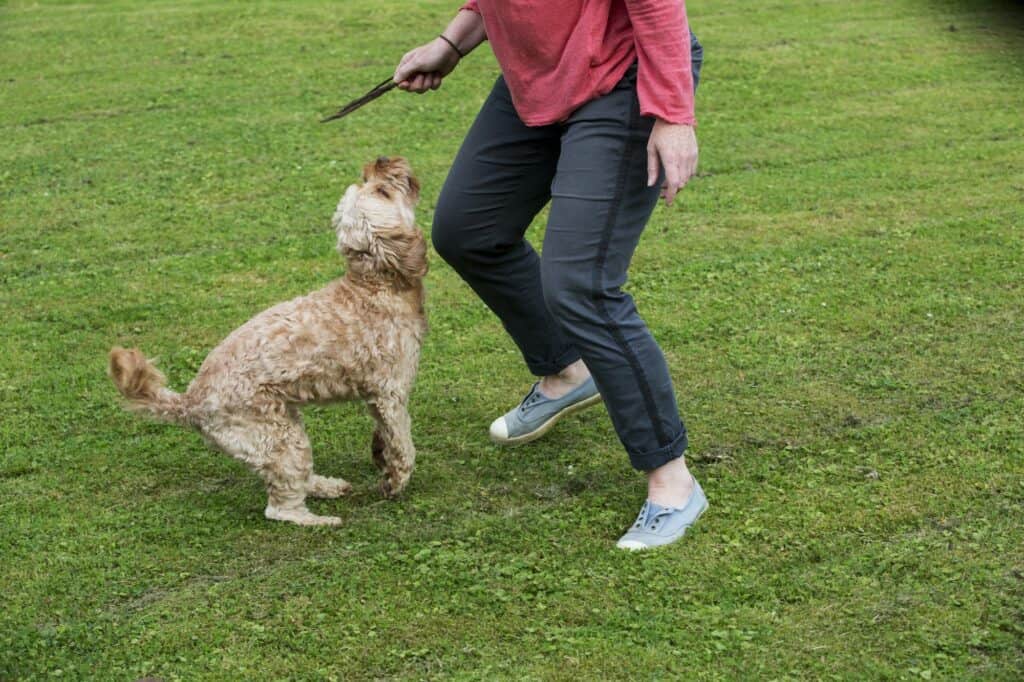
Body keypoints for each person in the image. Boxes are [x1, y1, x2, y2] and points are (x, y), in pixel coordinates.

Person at [394, 0, 705, 550]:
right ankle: (566, 371)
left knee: (581, 284)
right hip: (538, 79)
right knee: (470, 230)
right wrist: (451, 44)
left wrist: (674, 114)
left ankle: (672, 481)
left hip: (623, 75)